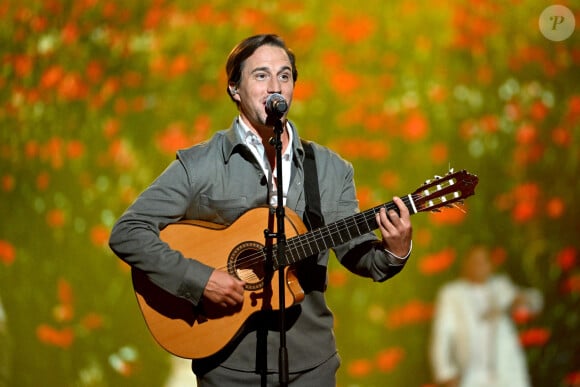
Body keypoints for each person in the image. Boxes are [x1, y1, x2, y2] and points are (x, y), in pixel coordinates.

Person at [109, 34, 413, 386]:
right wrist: (199, 279)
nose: (275, 86)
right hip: (226, 366)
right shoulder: (201, 165)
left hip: (310, 366)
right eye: (261, 75)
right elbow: (128, 232)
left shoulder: (330, 168)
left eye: (285, 76)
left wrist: (396, 249)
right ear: (234, 89)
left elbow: (360, 258)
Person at [429, 245, 542, 387]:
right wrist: (445, 373)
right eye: (475, 261)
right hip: (471, 374)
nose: (479, 266)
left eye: (484, 261)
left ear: (491, 265)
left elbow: (535, 303)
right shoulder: (452, 294)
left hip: (506, 372)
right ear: (465, 264)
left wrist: (521, 299)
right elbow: (442, 335)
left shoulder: (500, 286)